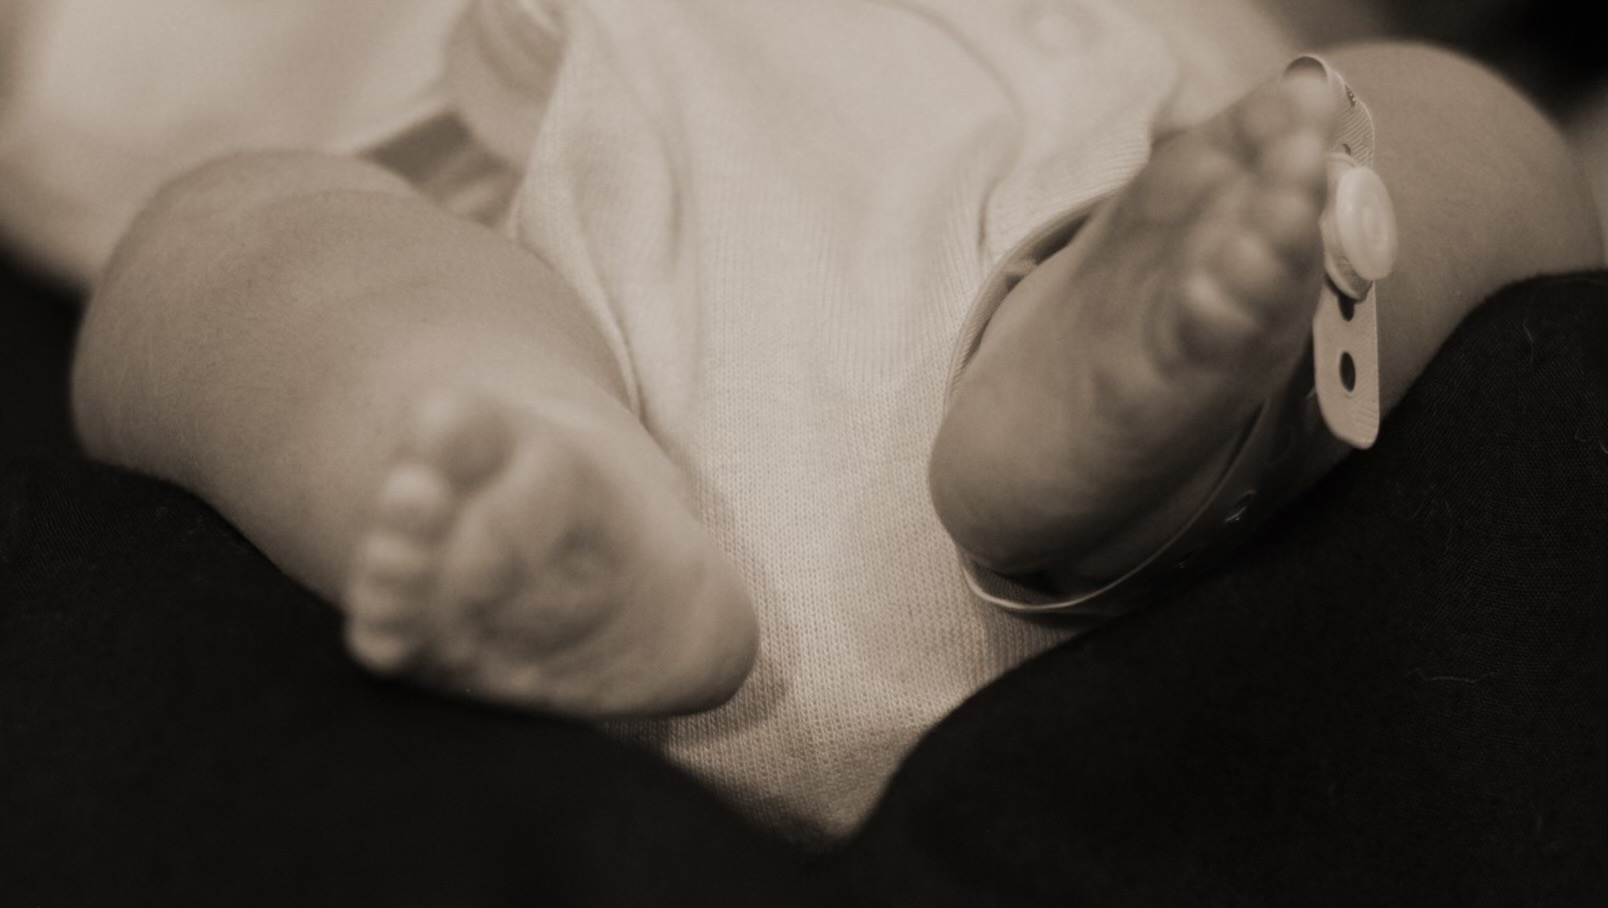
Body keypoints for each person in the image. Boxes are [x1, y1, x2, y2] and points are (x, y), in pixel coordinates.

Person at [22, 0, 1600, 837]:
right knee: (232, 233)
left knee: (1452, 129)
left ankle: (1101, 404)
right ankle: (519, 451)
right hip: (580, 294)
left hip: (1111, 284)